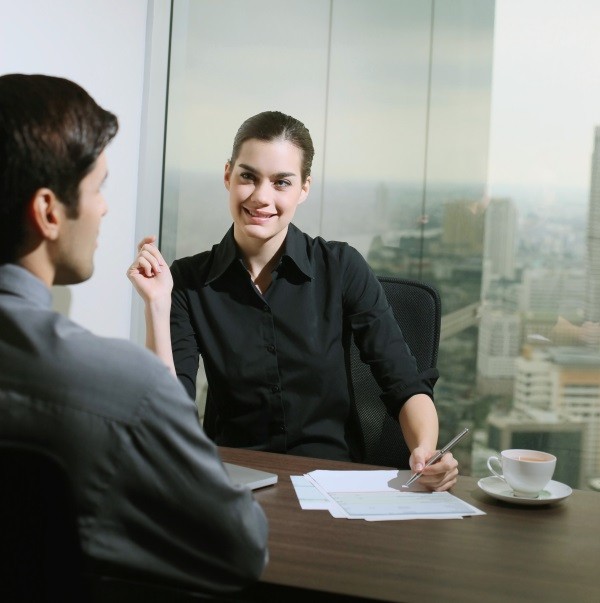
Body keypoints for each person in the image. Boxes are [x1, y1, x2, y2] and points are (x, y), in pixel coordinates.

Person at [0, 74, 268, 597]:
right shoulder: (120, 388)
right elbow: (241, 547)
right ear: (49, 212)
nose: (103, 208)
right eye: (98, 187)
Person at [129, 110, 458, 491]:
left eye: (281, 182)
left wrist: (425, 451)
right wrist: (156, 304)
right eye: (247, 177)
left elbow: (405, 382)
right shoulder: (187, 281)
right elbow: (171, 414)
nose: (260, 197)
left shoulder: (342, 268)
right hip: (232, 482)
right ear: (227, 176)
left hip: (330, 483)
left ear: (303, 188)